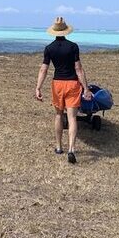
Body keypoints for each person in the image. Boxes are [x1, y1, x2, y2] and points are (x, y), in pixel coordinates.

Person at [35, 17, 92, 164]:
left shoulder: (49, 48)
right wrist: (86, 88)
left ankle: (59, 147)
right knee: (72, 117)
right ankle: (71, 149)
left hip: (57, 84)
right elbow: (78, 69)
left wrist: (38, 87)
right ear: (66, 31)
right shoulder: (73, 46)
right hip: (72, 83)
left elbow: (44, 69)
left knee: (59, 115)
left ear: (54, 31)